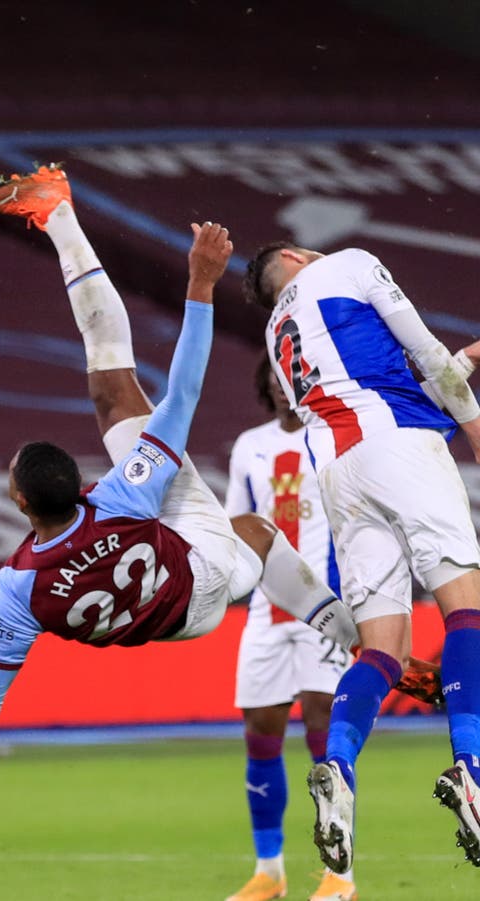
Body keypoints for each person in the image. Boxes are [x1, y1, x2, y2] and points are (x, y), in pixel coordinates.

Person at [0, 165, 366, 884]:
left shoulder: (19, 588)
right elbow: (183, 389)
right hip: (199, 565)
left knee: (254, 529)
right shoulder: (123, 498)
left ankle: (56, 216)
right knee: (115, 393)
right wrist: (200, 287)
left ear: (20, 504)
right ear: (77, 491)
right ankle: (57, 215)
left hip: (183, 618)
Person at [243, 240, 480, 874]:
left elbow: (363, 393)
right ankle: (473, 768)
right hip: (400, 448)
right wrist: (477, 426)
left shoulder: (275, 332)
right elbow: (423, 354)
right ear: (296, 255)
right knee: (465, 609)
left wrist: (456, 367)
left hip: (340, 475)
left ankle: (339, 764)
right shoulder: (346, 263)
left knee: (383, 650)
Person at [223, 353, 355, 901]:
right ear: (265, 386)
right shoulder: (248, 446)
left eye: (292, 378)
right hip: (264, 611)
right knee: (260, 731)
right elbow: (235, 524)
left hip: (324, 611)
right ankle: (269, 871)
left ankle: (339, 874)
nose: (283, 388)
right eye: (274, 379)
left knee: (323, 732)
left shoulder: (334, 438)